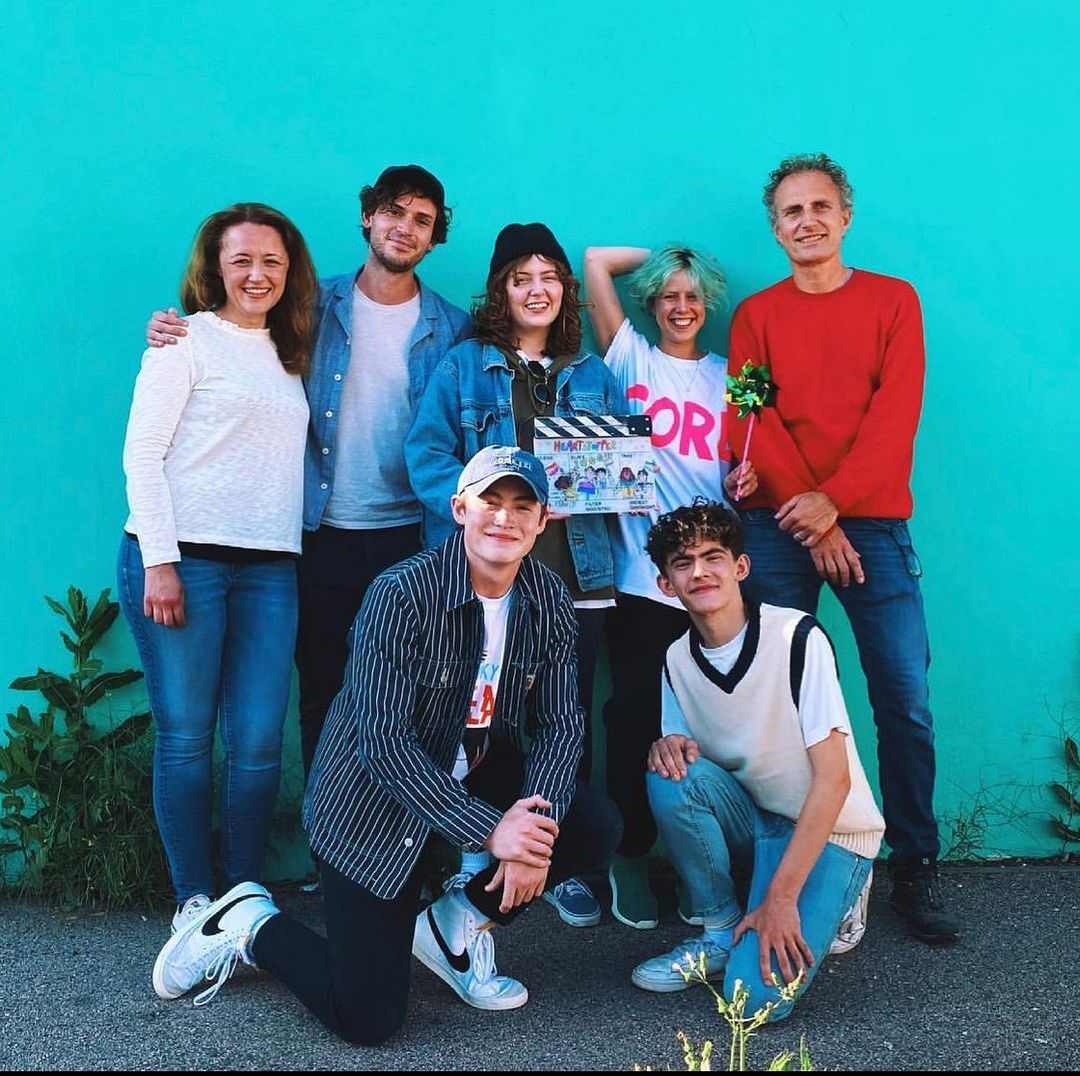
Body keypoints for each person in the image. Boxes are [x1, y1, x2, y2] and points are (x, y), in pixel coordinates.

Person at [150, 446, 622, 1044]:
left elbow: (560, 722)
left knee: (589, 824)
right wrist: (490, 831)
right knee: (367, 1017)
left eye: (521, 507)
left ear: (542, 520)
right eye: (490, 502)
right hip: (370, 806)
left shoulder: (548, 599)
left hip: (469, 768)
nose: (504, 518)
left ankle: (454, 927)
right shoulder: (401, 594)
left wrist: (534, 831)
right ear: (459, 509)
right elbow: (383, 742)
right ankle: (248, 922)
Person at [147, 165, 470, 779]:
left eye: (422, 221)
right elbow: (227, 331)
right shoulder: (309, 304)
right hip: (318, 533)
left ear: (434, 237)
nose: (405, 228)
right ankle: (333, 857)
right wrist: (174, 325)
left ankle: (403, 855)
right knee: (323, 690)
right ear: (368, 217)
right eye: (394, 212)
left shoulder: (453, 327)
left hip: (413, 537)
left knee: (413, 698)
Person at [727, 153, 959, 944]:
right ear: (776, 227)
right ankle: (786, 868)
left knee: (905, 703)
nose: (807, 222)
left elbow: (896, 416)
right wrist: (815, 519)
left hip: (875, 525)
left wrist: (840, 507)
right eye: (791, 212)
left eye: (820, 206)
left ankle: (914, 867)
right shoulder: (756, 316)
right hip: (783, 529)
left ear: (846, 215)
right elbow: (749, 427)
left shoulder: (894, 302)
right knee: (777, 709)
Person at [406, 223, 623, 928]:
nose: (537, 290)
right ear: (503, 290)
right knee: (473, 719)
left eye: (550, 278)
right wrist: (474, 503)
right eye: (521, 278)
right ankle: (466, 847)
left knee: (564, 723)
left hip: (574, 578)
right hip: (484, 582)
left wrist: (593, 486)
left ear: (565, 290)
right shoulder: (467, 366)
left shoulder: (590, 375)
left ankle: (553, 860)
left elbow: (621, 469)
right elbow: (428, 453)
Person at [118, 203, 317, 937]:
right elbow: (142, 454)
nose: (257, 274)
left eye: (271, 260)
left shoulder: (294, 350)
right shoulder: (183, 342)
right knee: (187, 734)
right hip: (184, 561)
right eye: (241, 260)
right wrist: (159, 563)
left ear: (288, 268)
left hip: (270, 567)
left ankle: (242, 892)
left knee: (261, 740)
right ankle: (193, 899)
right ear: (215, 268)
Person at [630, 500, 884, 1020]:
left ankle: (843, 890)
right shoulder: (676, 660)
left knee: (754, 1003)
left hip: (833, 830)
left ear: (740, 567)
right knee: (671, 775)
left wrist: (782, 901)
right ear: (665, 585)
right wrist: (665, 745)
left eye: (712, 556)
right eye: (682, 563)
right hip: (758, 822)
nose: (699, 571)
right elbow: (683, 764)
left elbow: (833, 782)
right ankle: (720, 932)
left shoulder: (797, 638)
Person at [582, 245, 756, 928]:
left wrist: (747, 478)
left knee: (708, 726)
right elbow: (596, 263)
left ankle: (697, 862)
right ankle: (628, 856)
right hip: (641, 579)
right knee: (633, 720)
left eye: (693, 294)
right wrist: (670, 254)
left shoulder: (733, 378)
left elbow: (748, 462)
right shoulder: (630, 359)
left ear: (708, 303)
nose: (681, 307)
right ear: (650, 303)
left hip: (710, 581)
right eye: (667, 294)